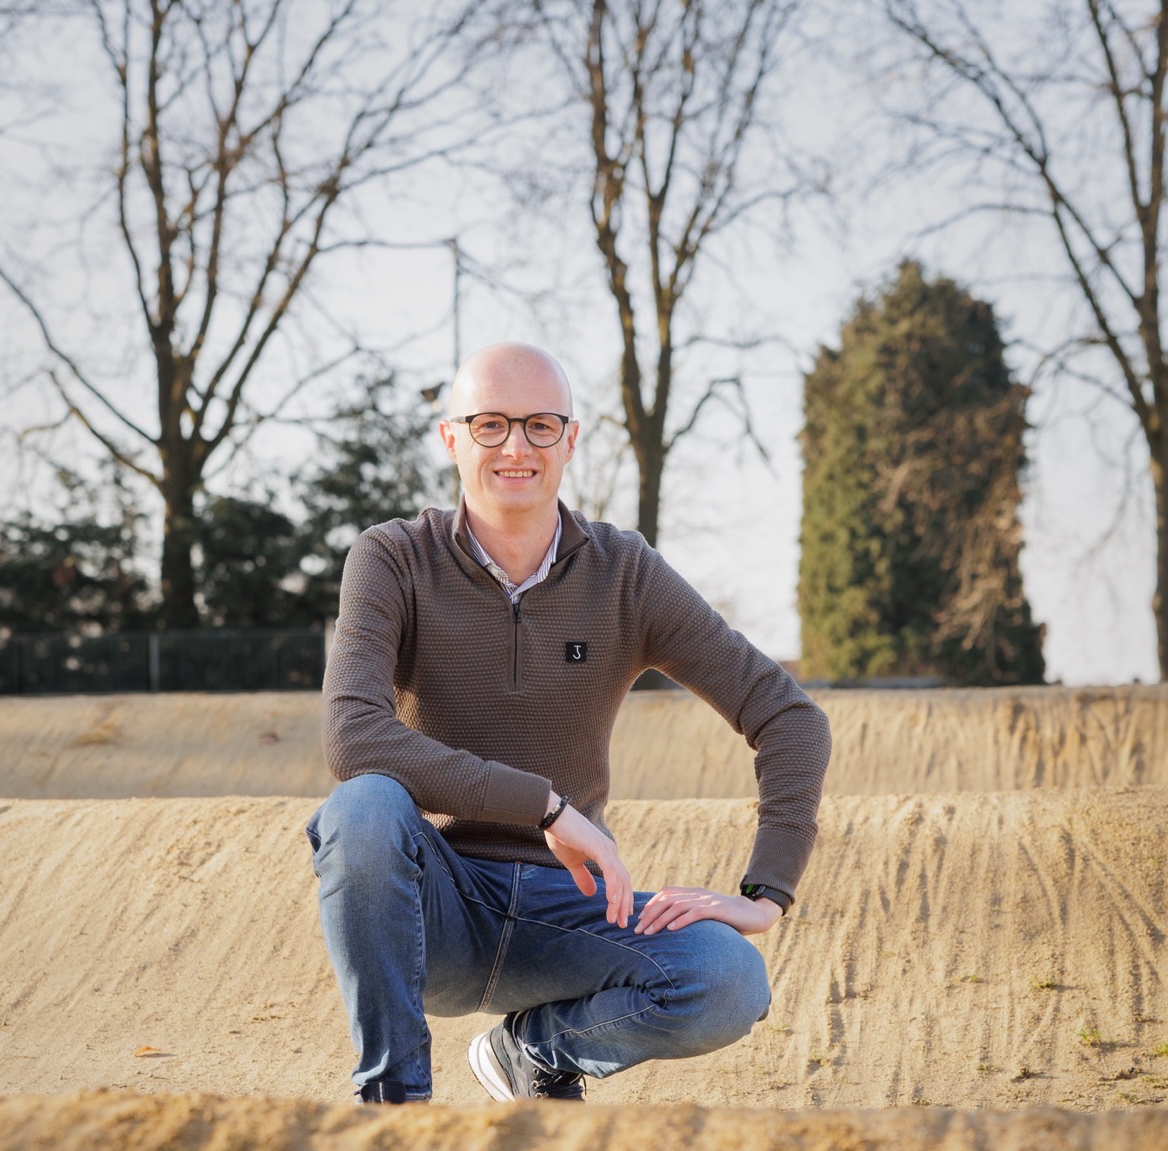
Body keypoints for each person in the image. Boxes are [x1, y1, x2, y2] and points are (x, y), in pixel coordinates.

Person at [307, 341, 831, 1103]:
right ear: (451, 437)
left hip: (570, 913)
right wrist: (545, 806)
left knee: (728, 978)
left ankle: (534, 1052)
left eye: (540, 426)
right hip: (434, 909)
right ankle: (393, 1106)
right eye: (489, 425)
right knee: (361, 807)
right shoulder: (391, 558)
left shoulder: (624, 573)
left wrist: (766, 892)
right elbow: (354, 735)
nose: (516, 447)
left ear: (571, 440)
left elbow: (790, 717)